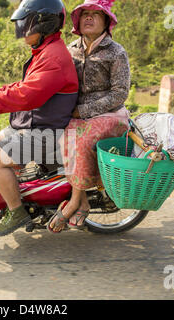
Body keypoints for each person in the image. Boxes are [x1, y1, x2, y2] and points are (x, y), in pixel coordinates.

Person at [0, 0, 79, 237]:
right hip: (37, 125)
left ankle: (17, 212)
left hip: (46, 133)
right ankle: (19, 193)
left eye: (27, 24)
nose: (22, 30)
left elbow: (26, 96)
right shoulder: (46, 51)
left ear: (43, 24)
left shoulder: (53, 58)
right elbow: (23, 87)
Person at [48, 0, 131, 233]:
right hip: (76, 115)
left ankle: (75, 202)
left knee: (82, 137)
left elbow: (120, 93)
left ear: (106, 22)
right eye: (85, 14)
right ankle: (81, 199)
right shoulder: (70, 49)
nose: (89, 18)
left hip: (111, 114)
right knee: (61, 135)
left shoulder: (116, 52)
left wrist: (83, 111)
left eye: (96, 14)